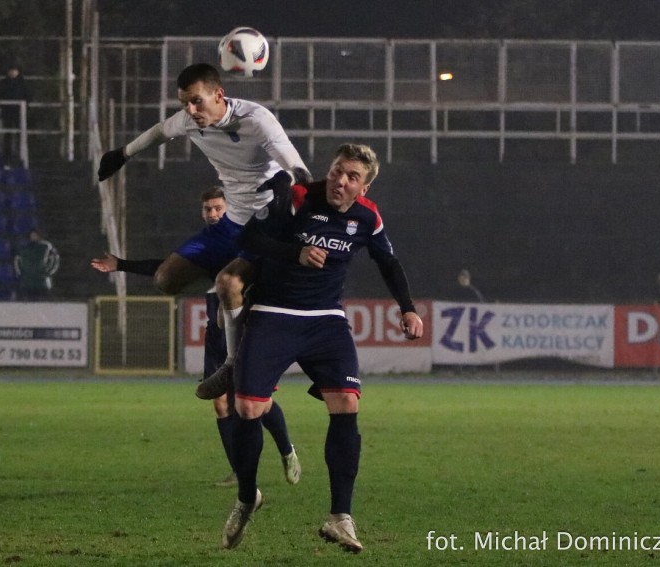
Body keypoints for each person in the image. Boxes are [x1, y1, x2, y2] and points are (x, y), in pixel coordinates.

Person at [220, 143, 425, 553]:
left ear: (364, 187)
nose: (340, 181)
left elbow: (388, 261)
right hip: (274, 313)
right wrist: (295, 251)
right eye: (336, 171)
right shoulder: (297, 197)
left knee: (347, 403)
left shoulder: (368, 217)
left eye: (351, 177)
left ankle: (340, 518)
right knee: (247, 410)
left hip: (325, 321)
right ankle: (247, 497)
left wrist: (407, 308)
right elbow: (251, 238)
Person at [96, 62, 311, 401]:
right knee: (166, 280)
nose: (190, 110)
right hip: (230, 223)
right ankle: (243, 296)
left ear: (219, 95)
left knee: (228, 284)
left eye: (196, 101)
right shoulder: (188, 120)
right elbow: (158, 132)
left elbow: (296, 167)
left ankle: (232, 363)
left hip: (266, 221)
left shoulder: (256, 120)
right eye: (184, 103)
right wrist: (121, 155)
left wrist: (302, 203)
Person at [90, 188, 301, 487]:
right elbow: (164, 266)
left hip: (243, 330)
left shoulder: (246, 241)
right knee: (219, 403)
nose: (212, 214)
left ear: (230, 209)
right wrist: (121, 264)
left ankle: (287, 451)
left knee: (258, 403)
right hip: (216, 332)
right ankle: (241, 472)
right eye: (207, 209)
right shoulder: (206, 245)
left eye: (217, 208)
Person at [0, 63, 32, 165]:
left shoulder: (23, 83)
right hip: (7, 112)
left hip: (20, 113)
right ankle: (7, 155)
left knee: (21, 134)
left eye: (14, 70)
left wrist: (25, 107)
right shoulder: (4, 83)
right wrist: (3, 105)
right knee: (8, 134)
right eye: (10, 70)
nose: (12, 72)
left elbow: (28, 96)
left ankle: (21, 154)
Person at [14, 229, 60, 300]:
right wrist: (20, 273)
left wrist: (49, 271)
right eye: (32, 235)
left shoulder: (46, 246)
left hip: (42, 281)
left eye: (35, 235)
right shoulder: (24, 247)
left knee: (44, 302)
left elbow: (55, 259)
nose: (33, 236)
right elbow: (17, 260)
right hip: (27, 281)